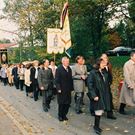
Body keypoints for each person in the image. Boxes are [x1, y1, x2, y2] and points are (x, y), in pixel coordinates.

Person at [87, 58, 112, 135]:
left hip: (104, 94)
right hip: (97, 94)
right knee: (98, 111)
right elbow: (90, 85)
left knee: (101, 110)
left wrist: (108, 70)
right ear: (98, 64)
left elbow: (109, 81)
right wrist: (94, 95)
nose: (105, 64)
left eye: (105, 63)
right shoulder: (93, 73)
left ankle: (96, 126)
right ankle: (96, 126)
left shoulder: (105, 72)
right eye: (103, 63)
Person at [55, 57, 73, 121]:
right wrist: (58, 88)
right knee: (61, 103)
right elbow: (57, 80)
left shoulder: (69, 69)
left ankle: (64, 115)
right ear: (63, 62)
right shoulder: (59, 69)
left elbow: (71, 79)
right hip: (61, 89)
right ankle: (60, 115)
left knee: (67, 103)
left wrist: (71, 88)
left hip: (68, 90)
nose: (68, 62)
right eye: (66, 61)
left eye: (68, 61)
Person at [100, 53, 116, 119]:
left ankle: (109, 113)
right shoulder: (98, 67)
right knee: (99, 99)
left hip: (107, 86)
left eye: (106, 58)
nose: (105, 59)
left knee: (109, 98)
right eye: (104, 58)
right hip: (100, 86)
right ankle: (95, 110)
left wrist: (110, 81)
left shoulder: (109, 65)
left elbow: (110, 74)